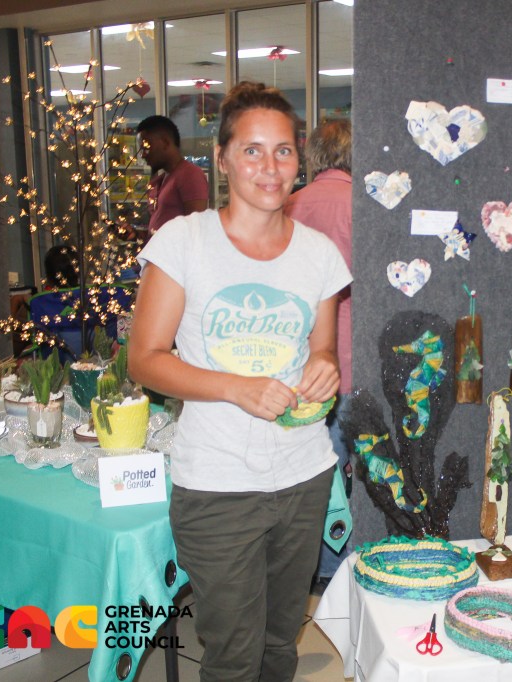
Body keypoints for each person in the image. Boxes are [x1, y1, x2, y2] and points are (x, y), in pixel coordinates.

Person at [129, 82, 351, 682]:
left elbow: (322, 349)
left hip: (304, 475)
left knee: (280, 644)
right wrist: (236, 387)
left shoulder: (318, 253)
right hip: (217, 483)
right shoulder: (184, 241)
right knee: (232, 655)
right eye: (252, 150)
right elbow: (144, 360)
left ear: (299, 159)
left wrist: (323, 368)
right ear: (222, 157)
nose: (270, 167)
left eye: (283, 151)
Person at [283, 119, 352, 590]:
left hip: (301, 365)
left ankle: (321, 569)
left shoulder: (290, 206)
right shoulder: (365, 206)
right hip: (357, 356)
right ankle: (352, 566)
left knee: (319, 472)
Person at [135, 115, 209, 238]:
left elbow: (195, 231)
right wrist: (137, 235)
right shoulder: (162, 179)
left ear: (165, 142)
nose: (143, 155)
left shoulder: (189, 175)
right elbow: (159, 232)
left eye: (147, 148)